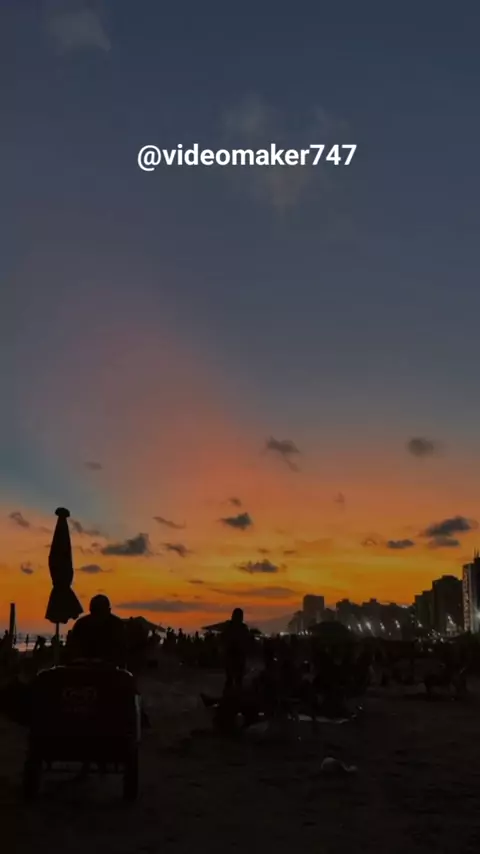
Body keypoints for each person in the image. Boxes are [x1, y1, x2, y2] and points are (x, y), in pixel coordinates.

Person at [66, 594, 127, 667]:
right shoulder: (81, 624)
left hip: (109, 667)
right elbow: (73, 649)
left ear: (108, 610)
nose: (97, 616)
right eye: (95, 611)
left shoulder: (117, 625)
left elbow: (122, 651)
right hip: (84, 667)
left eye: (100, 612)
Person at [221, 608, 250, 694]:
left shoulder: (230, 627)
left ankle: (232, 696)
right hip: (234, 657)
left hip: (235, 657)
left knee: (234, 680)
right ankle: (233, 696)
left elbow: (223, 639)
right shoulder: (241, 628)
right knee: (234, 680)